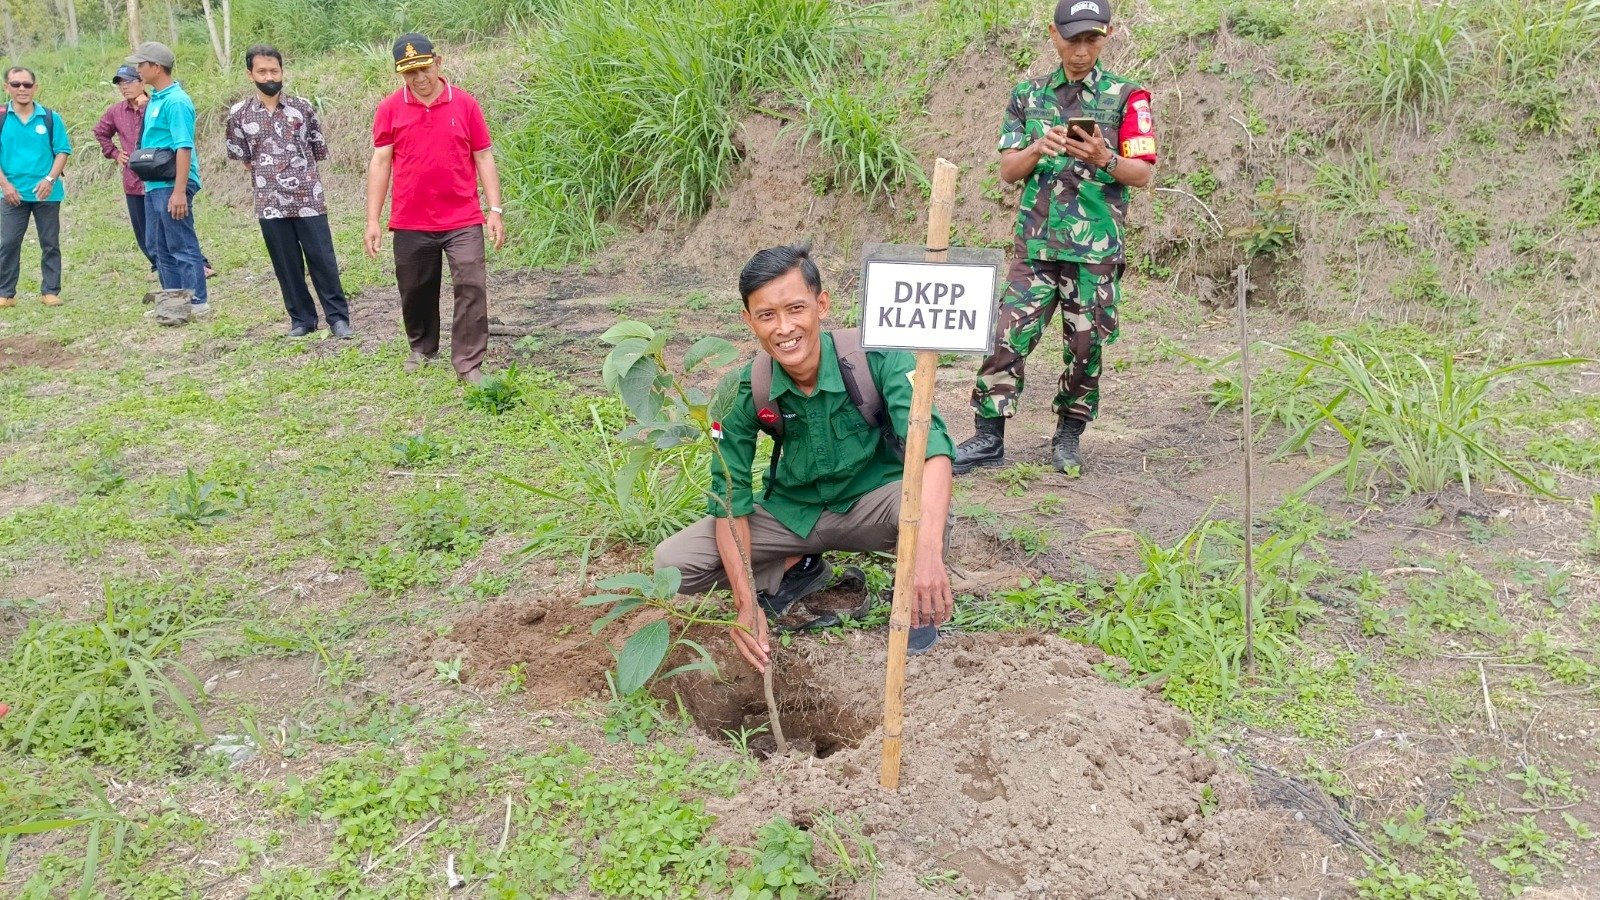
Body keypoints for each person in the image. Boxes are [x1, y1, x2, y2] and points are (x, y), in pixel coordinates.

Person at [653, 244, 956, 673]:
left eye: (796, 308)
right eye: (767, 315)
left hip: (871, 506)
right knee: (674, 564)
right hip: (792, 517)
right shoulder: (744, 390)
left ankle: (914, 594)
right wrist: (745, 604)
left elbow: (934, 453)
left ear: (822, 304)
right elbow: (731, 499)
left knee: (925, 503)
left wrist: (926, 553)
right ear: (749, 321)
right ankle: (797, 567)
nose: (784, 328)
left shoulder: (878, 358)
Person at [953, 0, 1156, 476]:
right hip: (1037, 245)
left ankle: (1069, 433)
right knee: (1005, 334)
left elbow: (1142, 174)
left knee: (1085, 347)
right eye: (1072, 39)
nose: (1081, 51)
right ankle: (988, 436)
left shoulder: (1128, 98)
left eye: (1091, 39)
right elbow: (1007, 170)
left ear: (1106, 36)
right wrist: (1036, 149)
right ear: (1053, 34)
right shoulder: (1028, 96)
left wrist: (1105, 157)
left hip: (1094, 252)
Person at [364, 33, 504, 384]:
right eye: (410, 73)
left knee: (471, 283)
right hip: (411, 220)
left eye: (424, 68)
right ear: (400, 74)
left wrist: (495, 209)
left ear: (438, 62)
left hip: (463, 217)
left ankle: (469, 362)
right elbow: (381, 162)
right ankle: (423, 347)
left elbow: (483, 156)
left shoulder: (466, 105)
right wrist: (373, 219)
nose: (420, 79)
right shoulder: (389, 109)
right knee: (415, 288)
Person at [226, 45, 352, 338]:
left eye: (274, 70)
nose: (269, 76)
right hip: (269, 202)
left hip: (309, 197)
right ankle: (302, 320)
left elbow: (318, 149)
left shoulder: (303, 108)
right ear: (250, 74)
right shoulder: (239, 115)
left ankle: (337, 319)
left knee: (322, 259)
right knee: (285, 263)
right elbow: (244, 158)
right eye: (262, 71)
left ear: (282, 71)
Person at [93, 65, 215, 283]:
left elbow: (182, 145)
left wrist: (180, 188)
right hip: (137, 181)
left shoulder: (161, 103)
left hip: (165, 178)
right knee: (152, 241)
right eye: (120, 83)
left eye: (129, 81)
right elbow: (100, 132)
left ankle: (196, 284)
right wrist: (113, 153)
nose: (124, 87)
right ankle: (170, 289)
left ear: (142, 82)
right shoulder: (116, 111)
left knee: (178, 238)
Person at [129, 41, 210, 317]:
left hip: (171, 184)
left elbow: (183, 147)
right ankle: (172, 301)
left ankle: (197, 302)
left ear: (156, 67)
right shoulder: (156, 98)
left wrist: (179, 192)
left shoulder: (176, 101)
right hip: (155, 184)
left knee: (180, 242)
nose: (137, 70)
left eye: (141, 64)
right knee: (158, 245)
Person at [0, 67, 70, 309]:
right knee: (8, 242)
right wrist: (5, 185)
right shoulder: (0, 118)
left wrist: (50, 179)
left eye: (27, 85)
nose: (22, 89)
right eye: (16, 84)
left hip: (46, 193)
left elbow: (62, 151)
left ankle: (50, 290)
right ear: (6, 87)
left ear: (35, 87)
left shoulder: (50, 118)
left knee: (50, 242)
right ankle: (5, 293)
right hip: (11, 193)